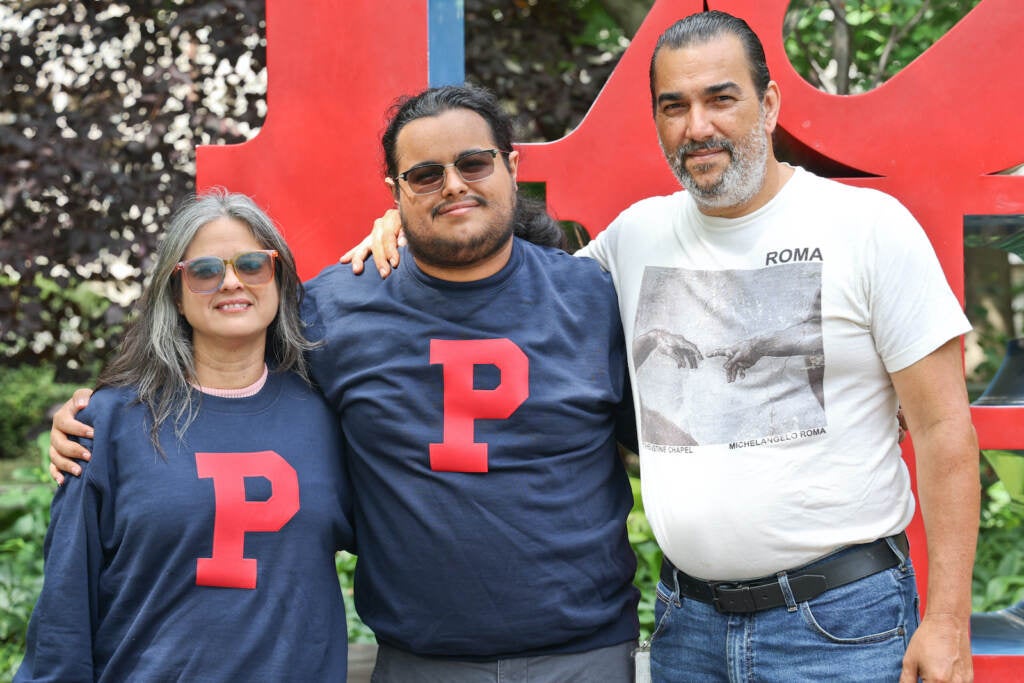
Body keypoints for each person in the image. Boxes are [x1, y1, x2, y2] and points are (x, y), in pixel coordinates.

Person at [345, 11, 980, 683]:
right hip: (689, 626)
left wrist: (946, 621)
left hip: (838, 623)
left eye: (720, 98)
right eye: (673, 106)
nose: (696, 126)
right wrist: (409, 219)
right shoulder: (634, 238)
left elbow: (945, 431)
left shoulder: (868, 227)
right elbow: (512, 282)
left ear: (768, 104)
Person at [49, 86, 640, 682]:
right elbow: (224, 379)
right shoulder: (333, 310)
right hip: (421, 659)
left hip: (583, 653)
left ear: (512, 166)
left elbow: (659, 447)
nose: (454, 185)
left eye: (474, 163)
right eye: (426, 175)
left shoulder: (593, 298)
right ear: (396, 191)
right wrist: (95, 415)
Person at [18, 189, 354, 681]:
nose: (232, 282)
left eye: (253, 265)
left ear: (278, 278)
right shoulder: (108, 422)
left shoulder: (330, 416)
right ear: (175, 293)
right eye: (205, 271)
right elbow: (65, 610)